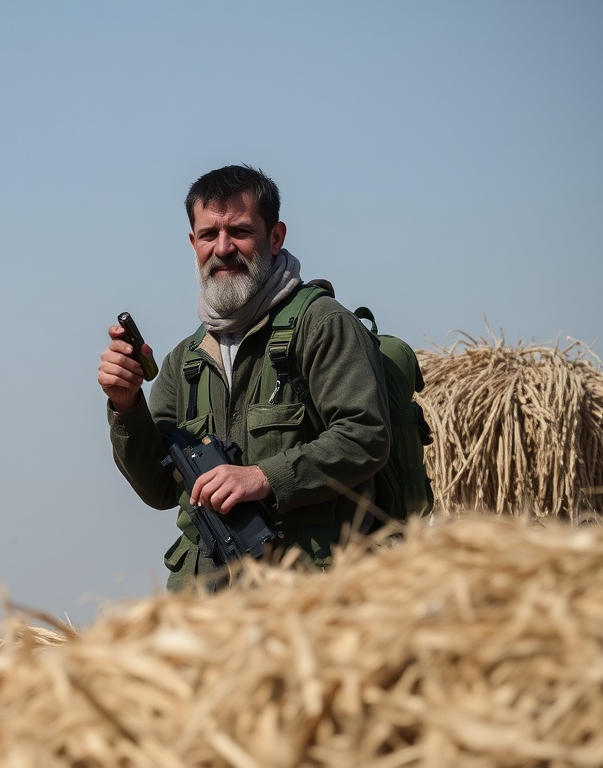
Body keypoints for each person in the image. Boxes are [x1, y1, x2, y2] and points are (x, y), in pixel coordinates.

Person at [98, 164, 391, 591]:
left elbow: (366, 435)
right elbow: (160, 488)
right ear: (192, 244)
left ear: (275, 237)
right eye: (207, 235)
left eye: (239, 231)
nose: (222, 248)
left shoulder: (321, 324)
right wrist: (125, 405)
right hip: (210, 612)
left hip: (313, 599)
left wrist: (264, 477)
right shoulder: (186, 360)